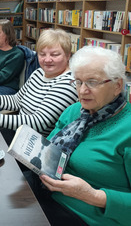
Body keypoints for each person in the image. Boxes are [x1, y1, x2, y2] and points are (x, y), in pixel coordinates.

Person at [33, 46, 131, 225]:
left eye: (92, 82)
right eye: (78, 82)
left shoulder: (128, 130)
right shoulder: (74, 112)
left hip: (89, 216)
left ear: (118, 86)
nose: (83, 90)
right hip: (48, 192)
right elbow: (49, 149)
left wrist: (93, 196)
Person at [0, 29, 78, 137]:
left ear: (68, 55)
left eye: (54, 55)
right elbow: (17, 101)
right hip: (20, 135)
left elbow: (39, 122)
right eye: (42, 54)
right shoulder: (39, 73)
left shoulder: (68, 84)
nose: (47, 59)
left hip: (34, 146)